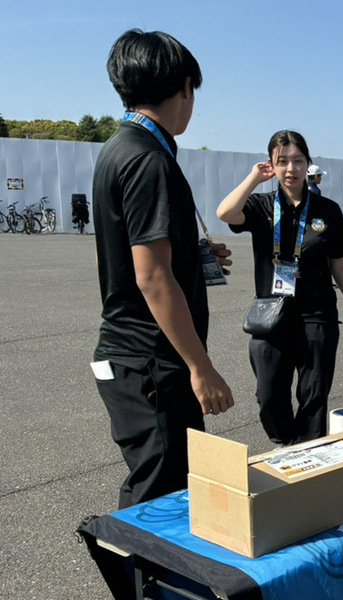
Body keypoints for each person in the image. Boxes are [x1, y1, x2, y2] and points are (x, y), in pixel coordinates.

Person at [91, 29, 235, 509]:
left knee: (164, 488)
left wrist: (193, 254)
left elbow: (135, 252)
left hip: (134, 357)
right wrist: (201, 368)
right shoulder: (148, 159)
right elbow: (152, 277)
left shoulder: (119, 148)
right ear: (184, 87)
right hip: (152, 362)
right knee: (159, 498)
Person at [217, 130, 343, 445]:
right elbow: (225, 212)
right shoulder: (260, 206)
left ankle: (308, 453)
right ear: (271, 166)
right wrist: (253, 179)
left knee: (314, 398)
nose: (290, 168)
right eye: (282, 161)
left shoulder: (328, 210)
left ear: (308, 164)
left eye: (297, 160)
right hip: (271, 317)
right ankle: (286, 444)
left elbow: (338, 264)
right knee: (268, 396)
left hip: (317, 315)